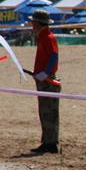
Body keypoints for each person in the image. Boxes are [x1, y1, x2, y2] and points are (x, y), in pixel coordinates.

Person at [29, 8, 60, 154]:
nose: (31, 25)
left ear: (38, 23)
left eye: (33, 22)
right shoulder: (42, 36)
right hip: (42, 78)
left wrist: (45, 73)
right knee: (44, 111)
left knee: (49, 111)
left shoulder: (48, 37)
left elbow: (54, 56)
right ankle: (47, 141)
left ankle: (51, 143)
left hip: (47, 79)